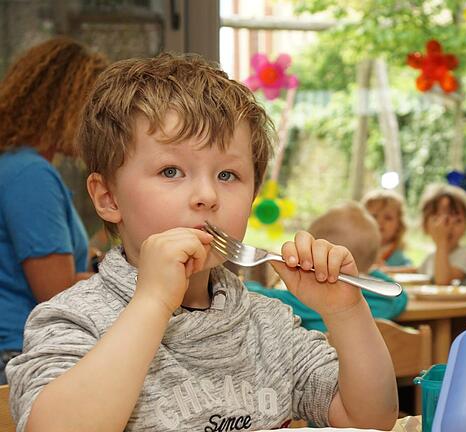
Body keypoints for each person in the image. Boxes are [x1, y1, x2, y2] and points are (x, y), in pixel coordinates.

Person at [5, 53, 398, 431]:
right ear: (108, 198)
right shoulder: (74, 318)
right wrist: (152, 302)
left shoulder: (267, 323)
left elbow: (368, 419)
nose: (207, 196)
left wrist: (346, 313)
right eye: (171, 170)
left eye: (228, 175)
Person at [0, 37, 106, 385]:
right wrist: (146, 282)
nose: (99, 129)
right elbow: (58, 292)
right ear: (64, 106)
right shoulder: (31, 174)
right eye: (93, 113)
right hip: (21, 356)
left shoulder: (16, 166)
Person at [249, 202, 408, 332]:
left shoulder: (305, 299)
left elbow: (254, 295)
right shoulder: (387, 299)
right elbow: (402, 296)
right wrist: (373, 271)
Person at [418, 183, 466, 286]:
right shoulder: (431, 257)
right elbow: (416, 273)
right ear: (425, 225)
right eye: (438, 219)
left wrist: (442, 241)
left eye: (457, 221)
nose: (448, 227)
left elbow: (443, 281)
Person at [362, 189, 413, 271]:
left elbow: (411, 271)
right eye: (374, 216)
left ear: (399, 225)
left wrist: (388, 270)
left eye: (388, 218)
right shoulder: (359, 250)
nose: (380, 222)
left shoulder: (398, 256)